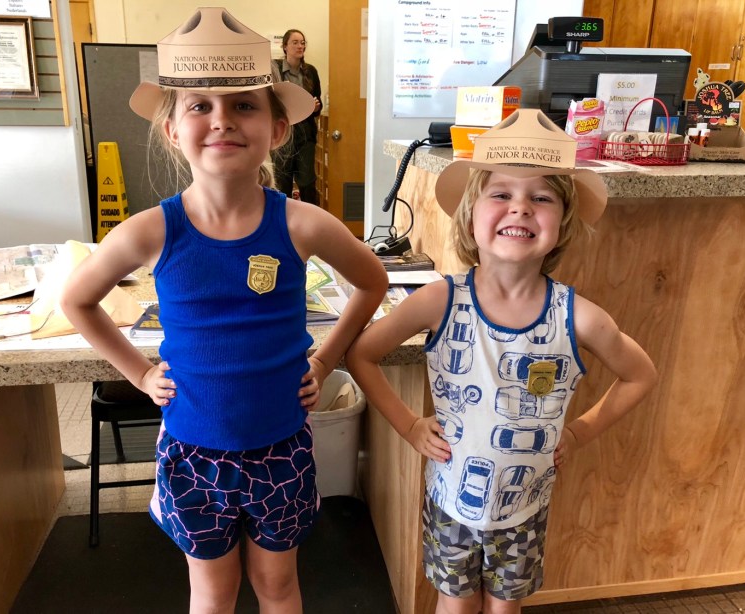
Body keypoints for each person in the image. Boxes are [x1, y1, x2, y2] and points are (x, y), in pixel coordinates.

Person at [60, 8, 388, 613]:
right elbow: (77, 301)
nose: (221, 119)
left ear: (278, 129)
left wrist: (325, 360)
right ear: (172, 130)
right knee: (211, 593)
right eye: (200, 106)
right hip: (192, 451)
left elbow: (372, 281)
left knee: (279, 587)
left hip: (281, 447)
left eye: (243, 104)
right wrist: (140, 374)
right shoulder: (150, 230)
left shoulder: (301, 223)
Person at [346, 109, 657, 614]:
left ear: (563, 220)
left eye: (542, 197)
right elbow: (362, 353)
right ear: (471, 214)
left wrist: (579, 433)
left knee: (505, 607)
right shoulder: (440, 300)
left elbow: (640, 375)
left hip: (525, 507)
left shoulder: (580, 317)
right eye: (501, 194)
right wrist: (408, 425)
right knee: (455, 604)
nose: (521, 208)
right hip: (451, 500)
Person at [271, 29, 322, 205]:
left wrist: (316, 107)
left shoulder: (311, 71)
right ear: (285, 46)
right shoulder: (274, 68)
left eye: (302, 42)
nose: (300, 46)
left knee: (307, 182)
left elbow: (318, 102)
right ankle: (282, 218)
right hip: (282, 132)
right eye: (295, 42)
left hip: (305, 134)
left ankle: (312, 219)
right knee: (282, 182)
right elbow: (268, 99)